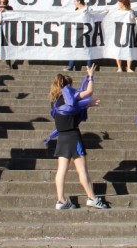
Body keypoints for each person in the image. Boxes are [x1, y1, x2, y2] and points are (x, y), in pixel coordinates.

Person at [49, 65, 108, 209]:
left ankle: (61, 200)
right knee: (82, 170)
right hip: (73, 136)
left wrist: (88, 105)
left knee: (61, 170)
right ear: (67, 86)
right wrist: (90, 76)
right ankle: (92, 198)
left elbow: (74, 108)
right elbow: (88, 92)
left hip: (62, 137)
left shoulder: (55, 101)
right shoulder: (67, 94)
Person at [64, 0, 93, 72]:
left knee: (87, 49)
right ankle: (70, 66)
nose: (74, 3)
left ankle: (89, 66)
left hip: (87, 31)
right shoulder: (75, 10)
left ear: (79, 1)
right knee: (74, 48)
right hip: (77, 31)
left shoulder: (88, 9)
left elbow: (94, 17)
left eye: (75, 1)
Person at [115, 0, 136, 72]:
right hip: (119, 32)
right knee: (118, 49)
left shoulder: (130, 12)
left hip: (128, 32)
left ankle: (129, 67)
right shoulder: (117, 11)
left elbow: (133, 21)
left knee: (128, 49)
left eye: (120, 2)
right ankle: (119, 67)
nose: (119, 3)